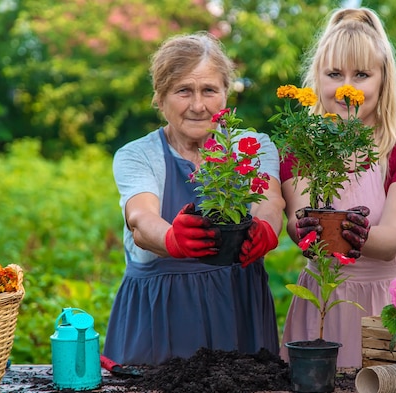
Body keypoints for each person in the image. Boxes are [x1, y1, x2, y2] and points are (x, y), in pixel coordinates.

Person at [103, 32, 285, 366]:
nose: (198, 105)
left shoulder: (253, 146)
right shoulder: (138, 155)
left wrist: (267, 230)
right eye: (183, 90)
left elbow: (270, 200)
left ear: (226, 95)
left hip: (237, 307)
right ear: (160, 98)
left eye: (209, 90)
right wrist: (172, 238)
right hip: (159, 315)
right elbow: (141, 220)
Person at [280, 8, 396, 368]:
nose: (347, 86)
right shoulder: (301, 146)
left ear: (383, 80)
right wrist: (301, 229)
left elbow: (392, 240)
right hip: (323, 301)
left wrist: (353, 232)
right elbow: (296, 222)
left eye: (361, 74)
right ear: (318, 78)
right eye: (335, 74)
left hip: (391, 308)